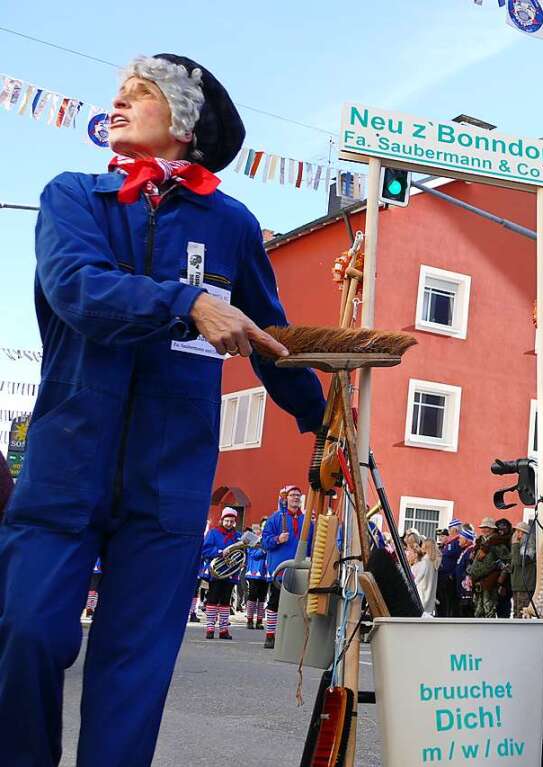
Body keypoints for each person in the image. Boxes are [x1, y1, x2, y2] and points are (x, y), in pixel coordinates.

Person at [0, 54, 325, 767]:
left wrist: (321, 422)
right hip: (64, 469)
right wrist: (188, 302)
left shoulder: (232, 223)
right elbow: (78, 287)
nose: (116, 102)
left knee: (134, 669)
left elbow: (270, 336)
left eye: (139, 93)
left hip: (170, 483)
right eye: (118, 92)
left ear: (185, 123)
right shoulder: (73, 198)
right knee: (26, 630)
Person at [262, 485, 314, 648]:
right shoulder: (274, 519)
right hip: (280, 569)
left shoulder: (307, 522)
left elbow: (312, 545)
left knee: (298, 604)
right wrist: (278, 539)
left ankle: (292, 637)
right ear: (286, 498)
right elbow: (264, 542)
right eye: (293, 495)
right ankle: (270, 635)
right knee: (275, 603)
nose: (296, 498)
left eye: (298, 495)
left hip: (300, 570)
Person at [201, 508, 242, 640]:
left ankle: (224, 629)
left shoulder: (238, 536)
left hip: (231, 572)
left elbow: (242, 552)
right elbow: (205, 549)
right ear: (222, 520)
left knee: (226, 601)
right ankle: (210, 628)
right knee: (212, 599)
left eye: (232, 521)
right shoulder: (213, 533)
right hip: (216, 572)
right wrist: (219, 551)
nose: (229, 523)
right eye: (227, 521)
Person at [467, 517, 510, 619]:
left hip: (490, 583)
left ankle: (489, 633)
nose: (484, 530)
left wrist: (500, 580)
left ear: (492, 529)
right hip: (477, 581)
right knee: (478, 611)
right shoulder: (480, 543)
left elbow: (507, 563)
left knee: (489, 610)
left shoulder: (498, 544)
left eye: (487, 527)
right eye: (483, 527)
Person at [244, 521, 269, 630]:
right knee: (252, 595)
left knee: (262, 597)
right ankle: (249, 620)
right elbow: (253, 554)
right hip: (254, 571)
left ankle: (259, 620)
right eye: (263, 526)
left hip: (266, 572)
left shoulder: (270, 539)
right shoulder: (253, 538)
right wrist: (264, 550)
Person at [436, 518, 463, 618]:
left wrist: (452, 575)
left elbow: (457, 560)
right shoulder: (451, 542)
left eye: (450, 528)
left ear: (454, 530)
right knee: (444, 601)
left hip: (449, 577)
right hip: (444, 576)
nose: (449, 530)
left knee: (448, 601)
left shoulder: (456, 542)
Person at [509, 521, 536, 618]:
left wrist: (515, 545)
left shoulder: (529, 548)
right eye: (516, 531)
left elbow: (518, 561)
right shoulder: (518, 546)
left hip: (524, 586)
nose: (517, 535)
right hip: (517, 585)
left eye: (520, 532)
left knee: (522, 613)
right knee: (516, 612)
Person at [413, 538, 440, 616]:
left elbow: (417, 580)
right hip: (431, 598)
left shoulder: (425, 562)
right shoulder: (434, 562)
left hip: (423, 596)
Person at [494, 518, 513, 618]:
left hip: (506, 579)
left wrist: (503, 584)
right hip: (495, 577)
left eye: (503, 527)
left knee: (504, 604)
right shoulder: (496, 540)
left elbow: (509, 563)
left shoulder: (510, 541)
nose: (501, 530)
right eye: (499, 528)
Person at [455, 527, 476, 617]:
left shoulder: (471, 551)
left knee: (466, 613)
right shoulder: (465, 550)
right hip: (461, 589)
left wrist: (467, 592)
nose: (458, 539)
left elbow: (469, 571)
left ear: (467, 540)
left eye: (461, 538)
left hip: (466, 591)